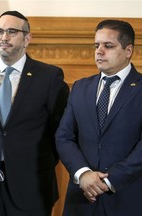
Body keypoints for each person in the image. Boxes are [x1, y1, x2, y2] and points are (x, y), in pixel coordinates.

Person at [0, 10, 69, 216]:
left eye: (11, 31)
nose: (4, 37)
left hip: (32, 186)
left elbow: (59, 132)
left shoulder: (49, 77)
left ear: (27, 38)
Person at [55, 19, 142, 216]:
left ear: (128, 51)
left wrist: (108, 181)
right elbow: (64, 136)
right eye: (96, 45)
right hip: (81, 199)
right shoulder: (80, 87)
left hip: (128, 200)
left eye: (108, 46)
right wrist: (83, 174)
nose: (99, 51)